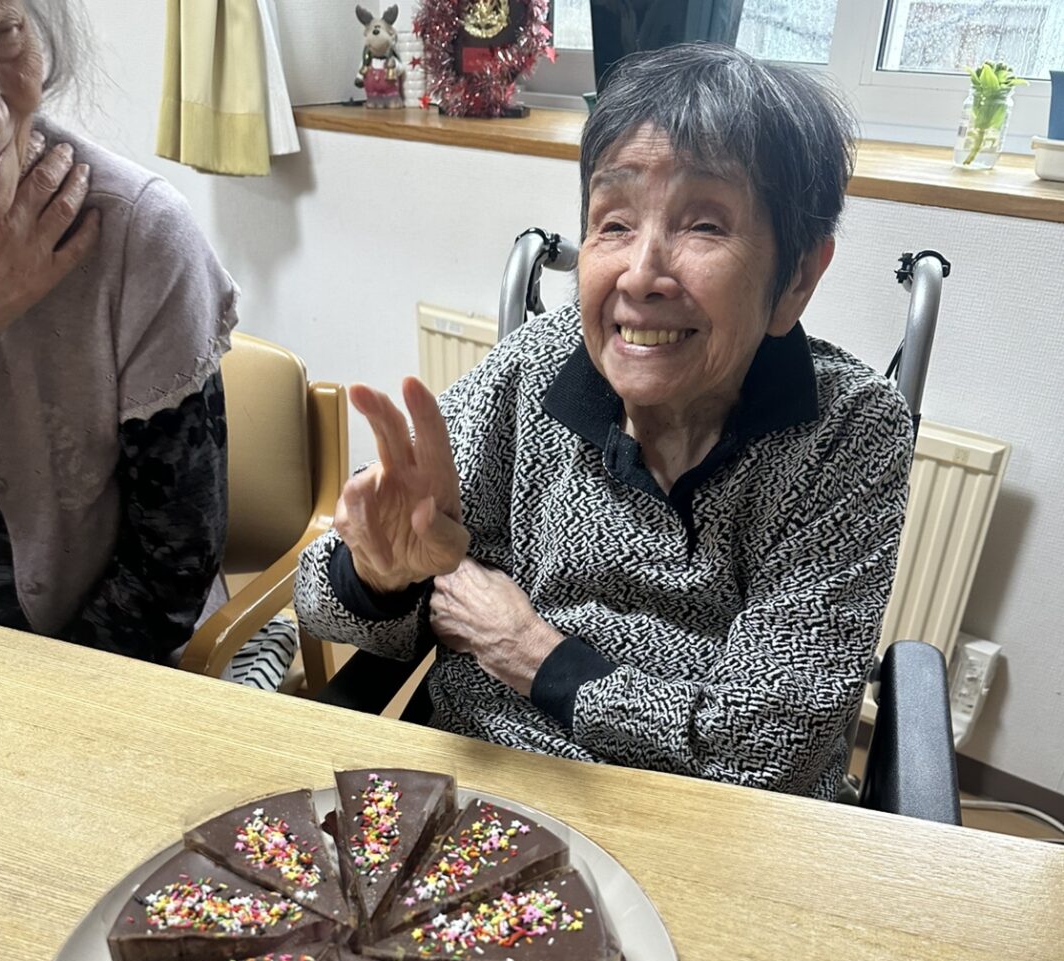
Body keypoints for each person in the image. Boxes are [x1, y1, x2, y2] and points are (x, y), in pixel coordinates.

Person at [295, 44, 915, 798]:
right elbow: (322, 601)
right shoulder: (534, 367)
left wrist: (533, 653)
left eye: (704, 225)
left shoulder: (848, 430)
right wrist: (379, 577)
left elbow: (765, 751)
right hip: (489, 785)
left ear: (798, 279)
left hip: (709, 822)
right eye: (614, 222)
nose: (641, 274)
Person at [0, 0, 237, 662]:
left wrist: (33, 709)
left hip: (99, 679)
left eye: (4, 33)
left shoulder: (138, 235)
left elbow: (170, 574)